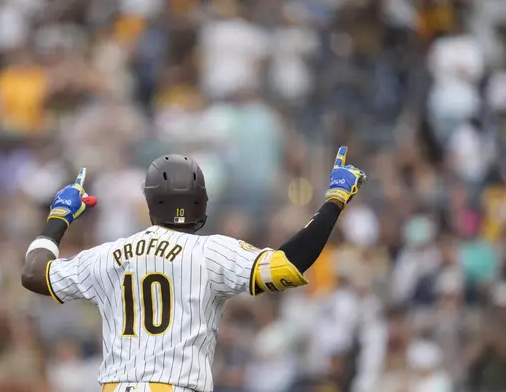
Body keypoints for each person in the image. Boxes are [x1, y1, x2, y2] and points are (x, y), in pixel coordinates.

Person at [21, 147, 367, 392]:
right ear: (200, 199)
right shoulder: (210, 251)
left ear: (150, 201)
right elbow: (288, 263)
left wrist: (58, 218)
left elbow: (35, 273)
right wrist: (334, 200)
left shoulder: (107, 254)